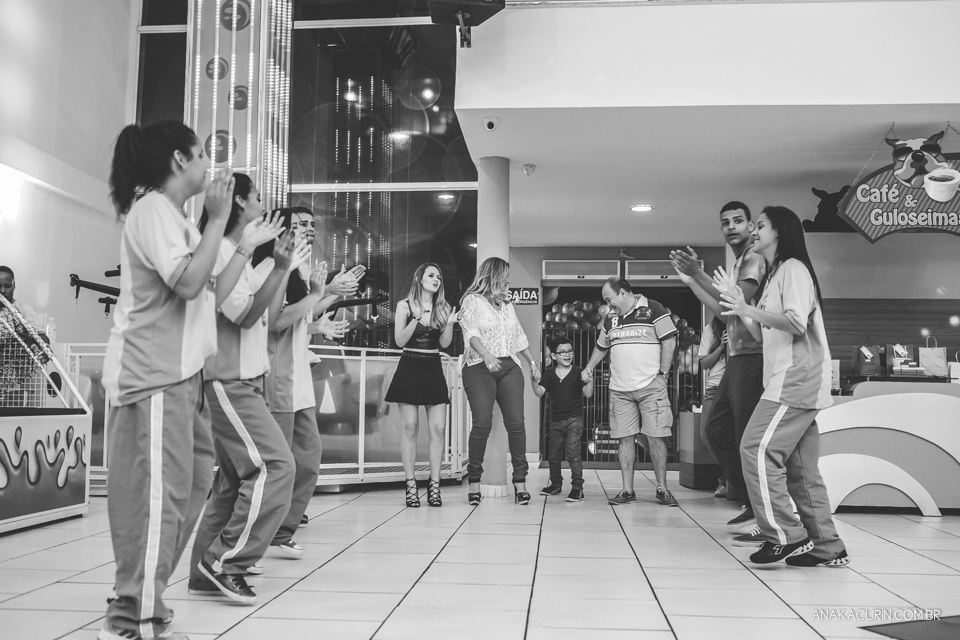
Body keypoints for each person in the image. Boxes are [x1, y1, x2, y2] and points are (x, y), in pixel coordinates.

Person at [99, 120, 234, 640]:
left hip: (182, 378)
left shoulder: (174, 218)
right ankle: (133, 618)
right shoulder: (153, 209)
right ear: (179, 160)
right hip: (153, 376)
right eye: (200, 154)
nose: (207, 165)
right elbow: (189, 282)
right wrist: (217, 218)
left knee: (191, 487)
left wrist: (232, 236)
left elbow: (208, 295)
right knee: (157, 499)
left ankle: (142, 595)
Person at [187, 174, 307, 606]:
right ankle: (226, 562)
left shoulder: (239, 254)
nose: (263, 203)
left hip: (246, 381)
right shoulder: (220, 250)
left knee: (231, 481)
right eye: (257, 197)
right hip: (229, 381)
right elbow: (243, 316)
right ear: (239, 202)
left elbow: (266, 314)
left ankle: (203, 571)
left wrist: (282, 265)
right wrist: (276, 265)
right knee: (278, 467)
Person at [714, 205, 848, 567]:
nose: (754, 231)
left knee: (755, 449)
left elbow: (795, 322)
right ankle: (828, 546)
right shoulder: (775, 276)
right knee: (801, 471)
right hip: (786, 379)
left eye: (760, 225)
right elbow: (762, 333)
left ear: (780, 231)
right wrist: (739, 305)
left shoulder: (793, 269)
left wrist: (747, 308)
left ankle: (786, 535)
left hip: (796, 377)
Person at [254, 207, 357, 554]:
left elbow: (300, 316)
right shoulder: (270, 268)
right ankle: (261, 534)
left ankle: (282, 529)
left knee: (309, 459)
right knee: (279, 464)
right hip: (277, 375)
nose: (308, 230)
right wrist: (321, 296)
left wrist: (329, 302)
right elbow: (276, 321)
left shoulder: (298, 269)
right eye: (299, 226)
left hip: (296, 375)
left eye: (311, 225)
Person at [670, 201, 766, 541]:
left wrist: (699, 274)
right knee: (714, 431)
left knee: (745, 439)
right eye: (725, 222)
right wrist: (692, 282)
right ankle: (749, 499)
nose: (731, 227)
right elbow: (725, 313)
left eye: (738, 221)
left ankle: (762, 510)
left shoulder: (754, 258)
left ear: (751, 226)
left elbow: (736, 303)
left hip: (754, 356)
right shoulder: (739, 262)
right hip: (737, 358)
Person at [582, 278, 679, 507]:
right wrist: (589, 367)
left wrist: (663, 375)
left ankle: (662, 489)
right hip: (619, 390)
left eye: (609, 299)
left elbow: (669, 341)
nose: (608, 305)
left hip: (650, 387)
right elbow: (601, 347)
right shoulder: (611, 319)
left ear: (623, 293)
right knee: (624, 439)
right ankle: (627, 490)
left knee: (656, 437)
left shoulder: (654, 309)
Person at [459, 257, 540, 506]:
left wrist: (532, 364)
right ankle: (474, 482)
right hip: (478, 366)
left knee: (516, 424)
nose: (507, 281)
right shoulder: (472, 300)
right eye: (504, 276)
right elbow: (470, 333)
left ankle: (520, 483)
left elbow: (519, 337)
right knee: (482, 424)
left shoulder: (506, 303)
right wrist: (486, 355)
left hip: (508, 367)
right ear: (493, 276)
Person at [385, 263, 459, 507]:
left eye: (439, 276)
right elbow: (399, 340)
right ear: (420, 278)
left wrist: (450, 324)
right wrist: (415, 319)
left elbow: (445, 344)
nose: (436, 279)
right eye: (431, 275)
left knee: (438, 429)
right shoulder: (404, 306)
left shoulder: (443, 307)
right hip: (409, 365)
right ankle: (410, 485)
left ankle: (434, 485)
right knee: (410, 427)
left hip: (432, 367)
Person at [532, 335, 594, 502]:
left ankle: (577, 488)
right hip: (555, 420)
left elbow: (588, 394)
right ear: (553, 356)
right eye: (562, 352)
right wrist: (534, 381)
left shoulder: (578, 372)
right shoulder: (549, 373)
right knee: (553, 455)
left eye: (570, 351)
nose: (567, 355)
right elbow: (539, 392)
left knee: (573, 452)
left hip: (574, 418)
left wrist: (590, 380)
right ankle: (555, 484)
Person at [698, 316, 727, 498]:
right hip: (714, 387)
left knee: (734, 435)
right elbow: (704, 364)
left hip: (737, 385)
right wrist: (721, 346)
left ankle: (729, 480)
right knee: (706, 433)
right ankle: (729, 475)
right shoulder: (710, 329)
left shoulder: (746, 322)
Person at [0, 266, 43, 334]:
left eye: (7, 286)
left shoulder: (25, 310)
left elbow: (41, 336)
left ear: (14, 285)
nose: (2, 291)